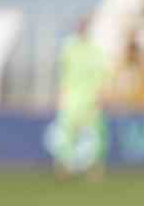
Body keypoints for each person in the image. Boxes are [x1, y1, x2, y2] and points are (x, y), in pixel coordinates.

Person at [46, 18, 109, 179]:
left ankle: (94, 167)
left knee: (95, 133)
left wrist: (101, 93)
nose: (83, 30)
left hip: (91, 97)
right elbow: (63, 72)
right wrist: (61, 93)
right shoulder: (69, 48)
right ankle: (63, 166)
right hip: (72, 96)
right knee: (67, 131)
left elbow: (102, 74)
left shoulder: (96, 50)